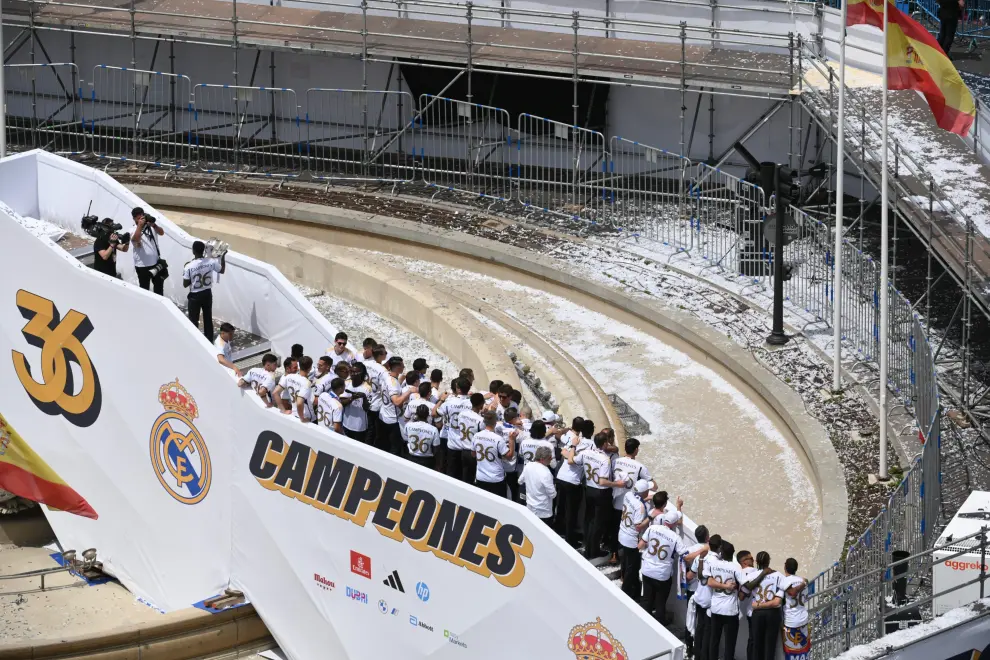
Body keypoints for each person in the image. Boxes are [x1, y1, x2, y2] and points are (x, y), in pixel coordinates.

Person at [563, 429, 624, 560]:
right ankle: (594, 551)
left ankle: (588, 546)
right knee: (598, 523)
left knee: (589, 519)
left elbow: (571, 460)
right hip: (601, 493)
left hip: (589, 489)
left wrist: (573, 447)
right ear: (605, 443)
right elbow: (602, 481)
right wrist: (617, 484)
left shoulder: (586, 452)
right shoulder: (605, 459)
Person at [637, 498, 688, 624]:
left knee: (647, 600)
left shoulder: (652, 528)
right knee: (660, 603)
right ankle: (659, 626)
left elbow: (640, 545)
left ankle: (643, 623)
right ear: (674, 524)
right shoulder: (675, 538)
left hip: (647, 570)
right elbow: (684, 555)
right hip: (662, 575)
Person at [612, 438, 653, 565]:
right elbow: (653, 485)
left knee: (615, 529)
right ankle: (625, 560)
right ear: (636, 450)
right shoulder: (640, 467)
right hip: (631, 504)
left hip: (615, 501)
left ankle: (614, 554)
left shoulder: (615, 461)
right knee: (629, 531)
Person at [703, 540, 745, 660]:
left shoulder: (713, 564)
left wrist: (723, 586)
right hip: (730, 611)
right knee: (730, 643)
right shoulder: (736, 568)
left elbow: (709, 582)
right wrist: (728, 586)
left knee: (714, 640)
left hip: (715, 608)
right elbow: (746, 584)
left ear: (721, 552)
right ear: (733, 554)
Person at [555, 417, 591, 548]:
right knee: (571, 511)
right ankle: (570, 540)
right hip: (573, 480)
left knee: (560, 507)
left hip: (561, 476)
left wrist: (569, 454)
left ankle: (557, 532)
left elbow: (564, 451)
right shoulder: (590, 445)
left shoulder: (573, 439)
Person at [744, 551, 784, 660]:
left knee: (757, 644)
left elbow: (746, 589)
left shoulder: (751, 575)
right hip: (773, 612)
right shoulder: (778, 575)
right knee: (770, 645)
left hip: (757, 611)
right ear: (769, 561)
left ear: (756, 561)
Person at [182, 240, 225, 342]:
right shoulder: (210, 262)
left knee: (193, 320)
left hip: (195, 296)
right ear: (203, 250)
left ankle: (195, 341)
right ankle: (209, 340)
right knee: (208, 318)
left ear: (193, 251)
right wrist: (223, 257)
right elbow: (222, 270)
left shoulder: (189, 266)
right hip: (207, 293)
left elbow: (185, 284)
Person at [618, 479, 651, 601]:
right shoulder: (640, 507)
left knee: (626, 564)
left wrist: (645, 499)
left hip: (622, 533)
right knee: (632, 568)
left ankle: (634, 589)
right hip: (632, 540)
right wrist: (651, 517)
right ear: (644, 492)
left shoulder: (628, 495)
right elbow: (638, 526)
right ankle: (625, 592)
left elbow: (637, 501)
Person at [434, 378, 473, 482]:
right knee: (464, 477)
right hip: (466, 446)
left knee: (451, 474)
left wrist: (441, 400)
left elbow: (434, 413)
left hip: (452, 445)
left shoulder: (449, 402)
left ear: (457, 388)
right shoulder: (471, 404)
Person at [683, 525, 711, 660]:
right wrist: (703, 550)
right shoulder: (709, 552)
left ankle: (690, 648)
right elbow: (686, 559)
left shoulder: (690, 549)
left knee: (690, 620)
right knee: (701, 624)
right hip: (702, 591)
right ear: (707, 537)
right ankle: (698, 650)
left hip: (692, 590)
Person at [473, 411, 514, 496]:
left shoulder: (476, 436)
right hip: (496, 478)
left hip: (481, 477)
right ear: (495, 422)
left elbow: (473, 454)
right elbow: (509, 457)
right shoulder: (498, 439)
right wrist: (512, 440)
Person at [693, 534, 721, 660]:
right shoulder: (717, 562)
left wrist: (700, 560)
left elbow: (699, 575)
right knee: (707, 631)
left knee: (700, 627)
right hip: (709, 599)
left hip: (699, 596)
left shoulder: (703, 556)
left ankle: (697, 654)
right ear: (719, 547)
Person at [378, 357, 413, 456]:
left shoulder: (386, 376)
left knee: (384, 444)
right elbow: (397, 402)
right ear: (397, 367)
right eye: (402, 365)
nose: (404, 367)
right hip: (392, 420)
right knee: (394, 448)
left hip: (383, 415)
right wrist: (409, 391)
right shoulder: (393, 383)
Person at [130, 207, 167, 295]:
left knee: (159, 288)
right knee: (144, 289)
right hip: (142, 266)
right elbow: (135, 239)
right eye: (138, 218)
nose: (140, 219)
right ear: (134, 218)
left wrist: (154, 225)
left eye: (141, 216)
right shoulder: (132, 229)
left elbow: (161, 233)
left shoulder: (150, 226)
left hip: (155, 263)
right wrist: (139, 225)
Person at [780, 559, 810, 660]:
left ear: (785, 567)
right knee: (803, 651)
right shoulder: (803, 580)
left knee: (791, 653)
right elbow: (806, 598)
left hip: (791, 621)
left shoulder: (784, 581)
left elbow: (790, 594)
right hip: (803, 619)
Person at [454, 392, 486, 484]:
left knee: (465, 477)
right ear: (481, 405)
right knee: (473, 479)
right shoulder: (480, 420)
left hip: (463, 450)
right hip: (474, 453)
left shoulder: (462, 414)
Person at [520, 446, 556, 524]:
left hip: (530, 508)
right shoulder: (546, 473)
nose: (551, 459)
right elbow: (553, 494)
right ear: (543, 459)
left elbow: (520, 481)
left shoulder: (528, 465)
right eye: (550, 458)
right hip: (543, 512)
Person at [274, 355, 314, 423]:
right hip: (306, 417)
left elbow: (275, 393)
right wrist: (302, 419)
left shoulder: (288, 377)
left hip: (294, 414)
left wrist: (283, 410)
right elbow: (299, 402)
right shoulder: (306, 383)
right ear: (309, 368)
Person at [342, 362, 372, 443]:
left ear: (361, 373)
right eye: (351, 371)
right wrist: (351, 398)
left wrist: (364, 398)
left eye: (355, 372)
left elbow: (367, 409)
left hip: (359, 427)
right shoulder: (346, 383)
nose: (352, 374)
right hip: (346, 424)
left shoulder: (367, 388)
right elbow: (341, 403)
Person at [405, 404, 440, 469]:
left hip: (411, 458)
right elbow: (436, 449)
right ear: (428, 416)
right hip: (427, 461)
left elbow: (407, 439)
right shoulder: (433, 429)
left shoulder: (408, 425)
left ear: (416, 415)